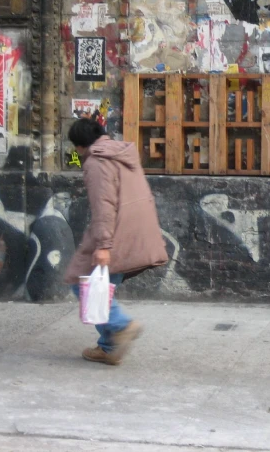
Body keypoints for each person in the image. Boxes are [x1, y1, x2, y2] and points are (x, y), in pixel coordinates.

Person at [64, 118, 168, 366]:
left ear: (79, 146)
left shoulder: (96, 162)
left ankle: (122, 326)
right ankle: (109, 346)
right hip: (135, 229)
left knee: (83, 284)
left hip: (116, 230)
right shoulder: (120, 153)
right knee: (100, 287)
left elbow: (104, 207)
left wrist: (103, 245)